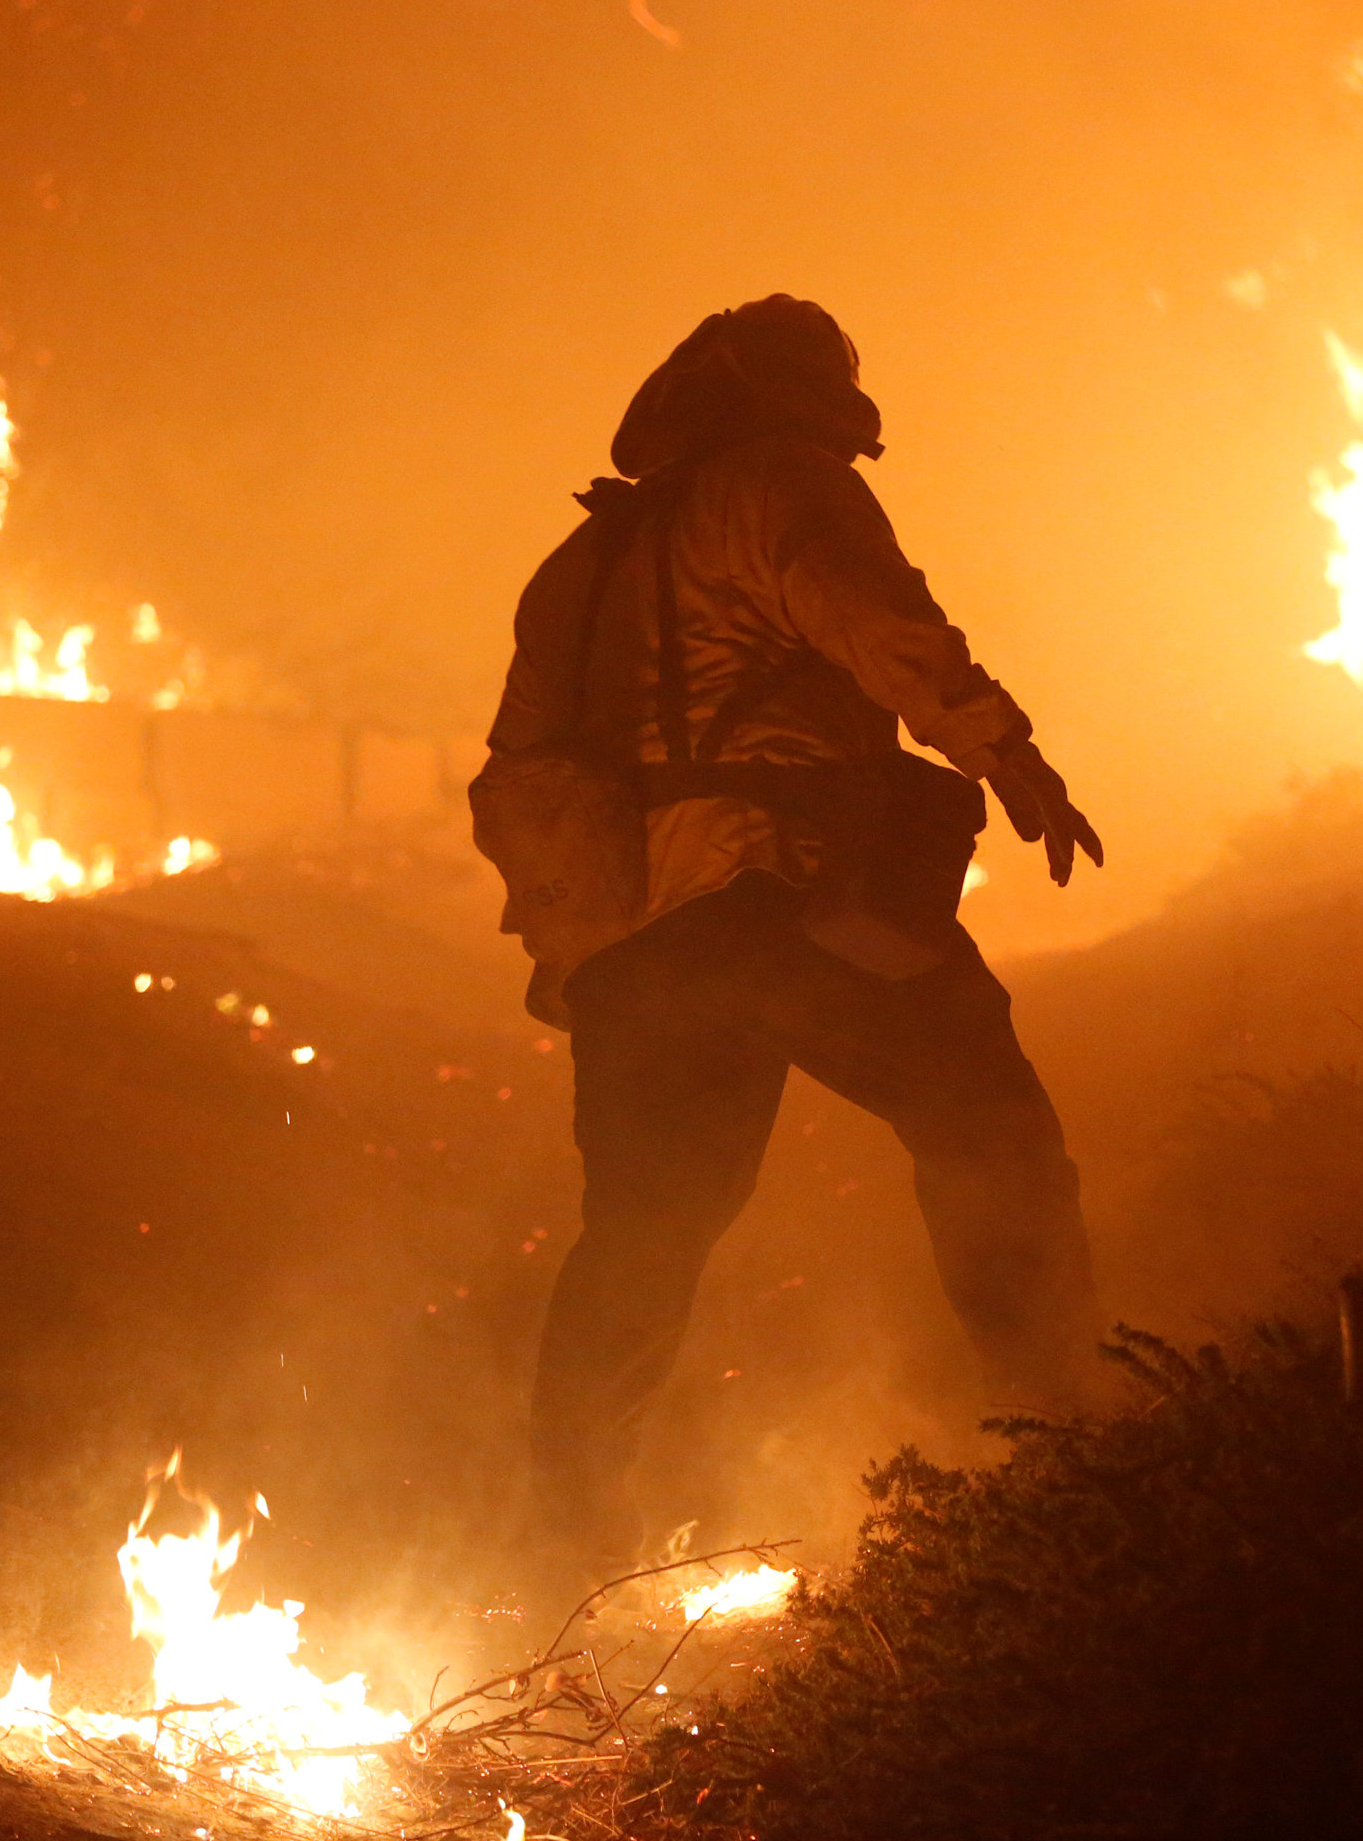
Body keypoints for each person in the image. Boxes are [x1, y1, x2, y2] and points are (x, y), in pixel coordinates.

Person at [471, 294, 1105, 1581]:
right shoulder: (781, 485)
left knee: (645, 1232)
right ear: (792, 397)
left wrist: (585, 950)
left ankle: (567, 1553)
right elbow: (879, 623)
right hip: (796, 905)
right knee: (988, 1121)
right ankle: (1073, 1470)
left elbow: (517, 776)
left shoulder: (578, 564)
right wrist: (1005, 750)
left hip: (639, 959)